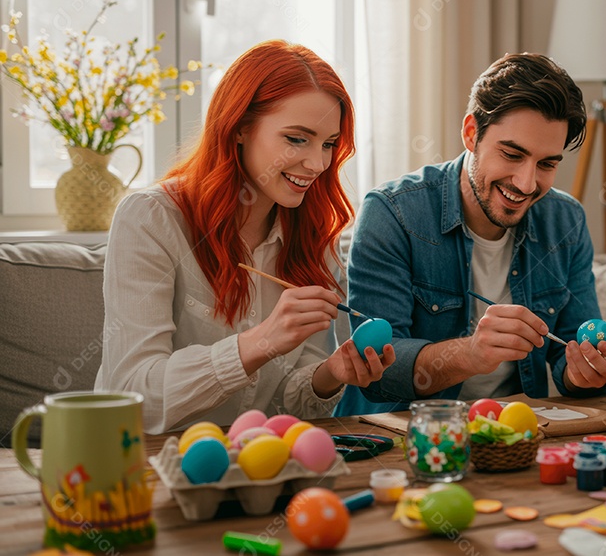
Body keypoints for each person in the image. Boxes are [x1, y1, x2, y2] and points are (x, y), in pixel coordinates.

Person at [95, 41, 394, 434]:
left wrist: (329, 374)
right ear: (239, 128)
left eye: (328, 144)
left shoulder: (315, 236)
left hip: (256, 457)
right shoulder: (151, 219)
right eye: (296, 139)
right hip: (148, 457)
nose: (318, 163)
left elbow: (290, 403)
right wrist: (260, 342)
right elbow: (133, 394)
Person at [334, 53, 606, 414]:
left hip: (512, 433)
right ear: (471, 133)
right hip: (402, 435)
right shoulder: (392, 214)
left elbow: (569, 354)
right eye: (512, 154)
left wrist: (587, 373)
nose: (526, 183)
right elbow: (377, 372)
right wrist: (470, 353)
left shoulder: (566, 222)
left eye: (546, 164)